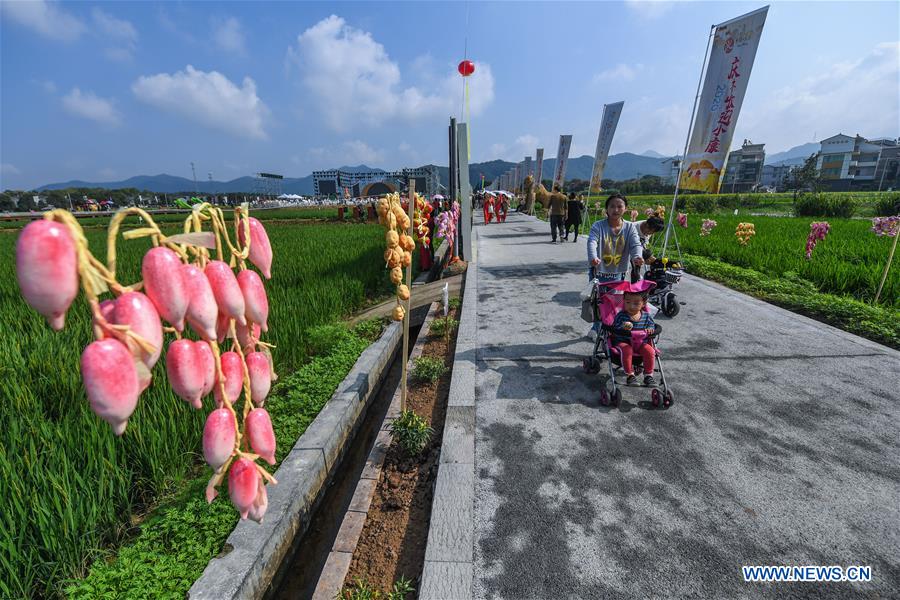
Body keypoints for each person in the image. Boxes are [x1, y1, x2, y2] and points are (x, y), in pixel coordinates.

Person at [611, 291, 658, 386]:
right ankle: (630, 375)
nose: (631, 306)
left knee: (650, 351)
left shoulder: (646, 316)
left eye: (636, 303)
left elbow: (652, 325)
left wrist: (650, 329)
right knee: (627, 350)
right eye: (628, 302)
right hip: (623, 341)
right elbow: (614, 327)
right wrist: (623, 326)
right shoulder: (621, 315)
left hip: (640, 343)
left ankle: (648, 375)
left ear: (644, 303)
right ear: (624, 301)